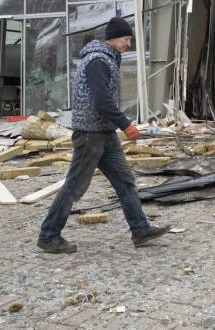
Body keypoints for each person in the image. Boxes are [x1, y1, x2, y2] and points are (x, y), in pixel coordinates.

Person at [37, 17, 169, 253]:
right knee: (74, 187)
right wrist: (125, 124)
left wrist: (116, 125)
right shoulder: (98, 60)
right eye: (126, 39)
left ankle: (140, 229)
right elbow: (101, 100)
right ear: (113, 38)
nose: (128, 44)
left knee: (125, 181)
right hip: (90, 134)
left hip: (104, 133)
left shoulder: (107, 59)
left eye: (129, 39)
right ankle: (49, 235)